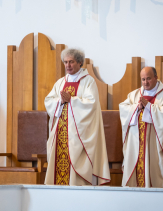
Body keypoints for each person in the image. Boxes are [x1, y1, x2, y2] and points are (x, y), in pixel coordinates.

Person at [44, 48, 110, 185]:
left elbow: (91, 104)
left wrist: (72, 100)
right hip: (60, 132)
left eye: (71, 62)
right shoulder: (61, 82)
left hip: (79, 135)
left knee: (75, 170)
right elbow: (48, 101)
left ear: (80, 62)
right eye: (65, 62)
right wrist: (60, 101)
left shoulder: (88, 81)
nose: (68, 65)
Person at [120, 67, 163, 188]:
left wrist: (149, 107)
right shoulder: (134, 94)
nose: (145, 82)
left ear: (156, 77)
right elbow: (123, 108)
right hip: (135, 141)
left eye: (148, 79)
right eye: (143, 79)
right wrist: (136, 108)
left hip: (154, 143)